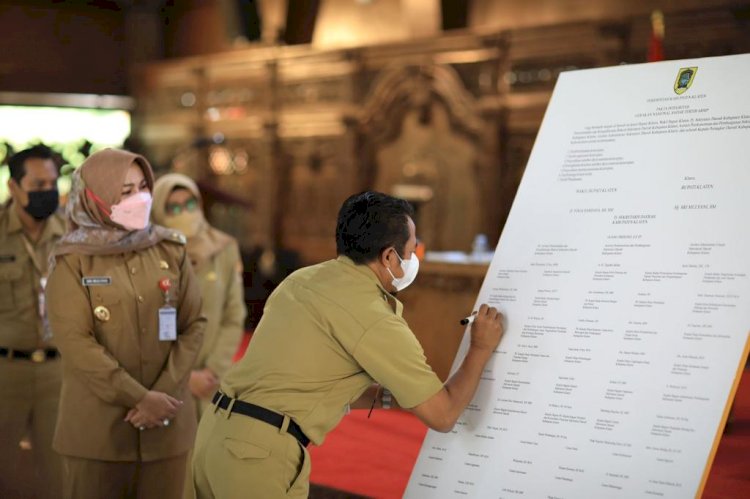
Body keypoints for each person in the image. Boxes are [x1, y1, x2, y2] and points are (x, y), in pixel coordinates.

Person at [192, 191, 504, 498]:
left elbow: (304, 372)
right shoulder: (373, 316)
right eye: (412, 251)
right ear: (389, 257)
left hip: (215, 434)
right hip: (256, 457)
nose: (413, 259)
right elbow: (443, 415)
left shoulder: (302, 279)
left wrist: (386, 395)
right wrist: (479, 347)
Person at [45, 149, 206, 499]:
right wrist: (140, 398)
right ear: (97, 198)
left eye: (143, 187)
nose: (140, 199)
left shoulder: (170, 249)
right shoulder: (72, 261)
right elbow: (76, 342)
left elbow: (194, 323)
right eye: (125, 191)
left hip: (168, 428)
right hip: (98, 435)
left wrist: (161, 396)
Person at [152, 173, 246, 417]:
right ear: (159, 210)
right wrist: (182, 376)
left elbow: (234, 314)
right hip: (163, 381)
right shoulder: (148, 253)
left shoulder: (223, 247)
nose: (184, 212)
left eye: (190, 204)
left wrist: (213, 370)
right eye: (174, 207)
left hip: (211, 382)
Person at [0, 145, 65, 498]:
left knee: (58, 477)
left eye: (52, 183)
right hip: (5, 371)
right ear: (14, 188)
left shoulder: (73, 234)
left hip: (58, 373)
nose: (48, 191)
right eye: (38, 184)